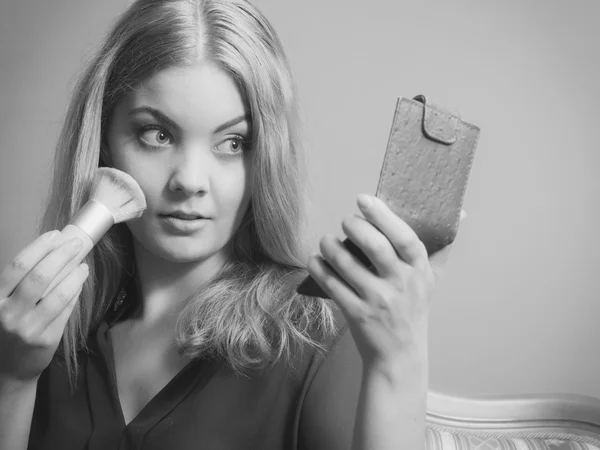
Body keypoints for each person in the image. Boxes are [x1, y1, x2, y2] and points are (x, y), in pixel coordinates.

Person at [0, 0, 456, 449]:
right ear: (102, 145)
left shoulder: (316, 336)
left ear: (267, 160)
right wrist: (13, 378)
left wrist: (402, 357)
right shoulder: (42, 335)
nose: (190, 181)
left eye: (233, 143)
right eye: (157, 135)